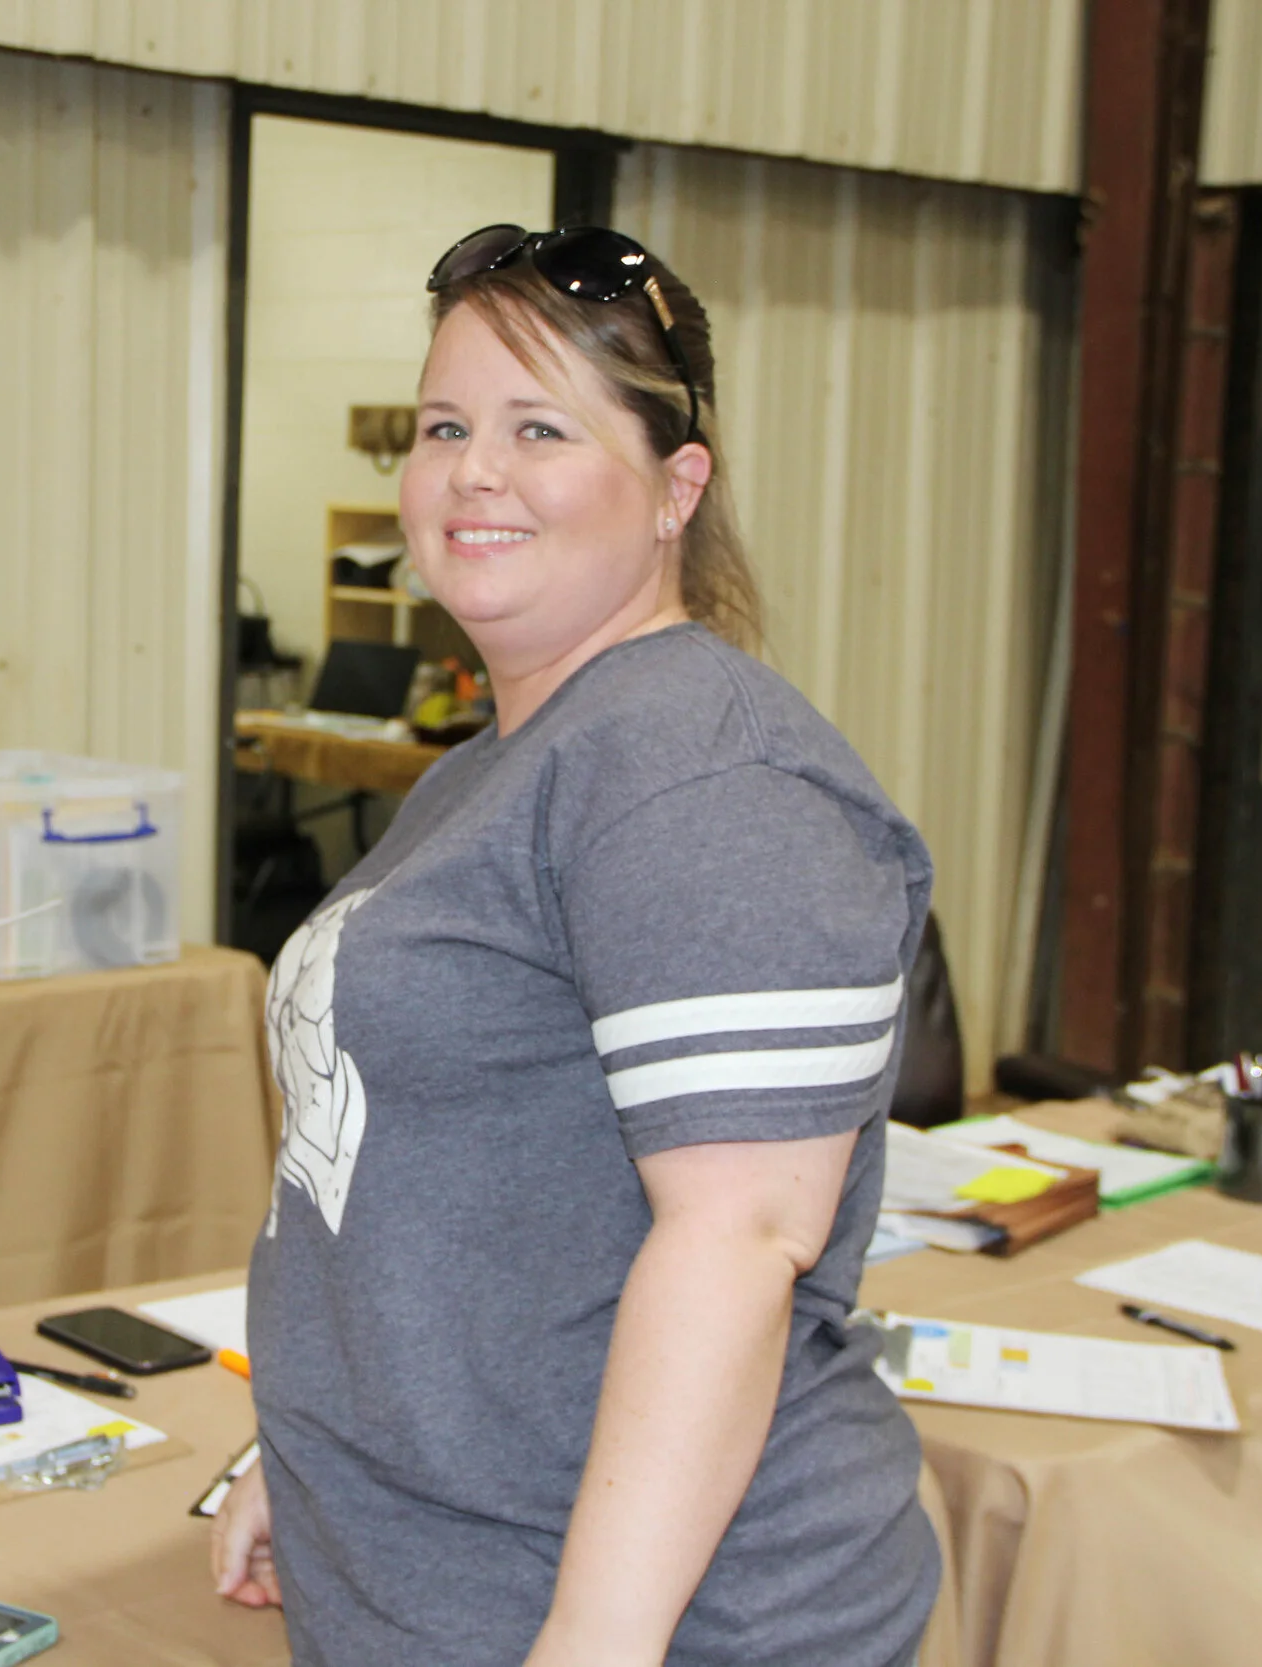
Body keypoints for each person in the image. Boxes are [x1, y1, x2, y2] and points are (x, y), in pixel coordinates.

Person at [211, 224, 940, 1665]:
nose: (474, 470)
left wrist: (593, 1642)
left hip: (662, 1618)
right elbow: (438, 1182)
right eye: (444, 425)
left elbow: (740, 1239)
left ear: (678, 487)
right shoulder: (499, 761)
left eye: (539, 426)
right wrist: (305, 1456)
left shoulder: (704, 777)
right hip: (433, 1570)